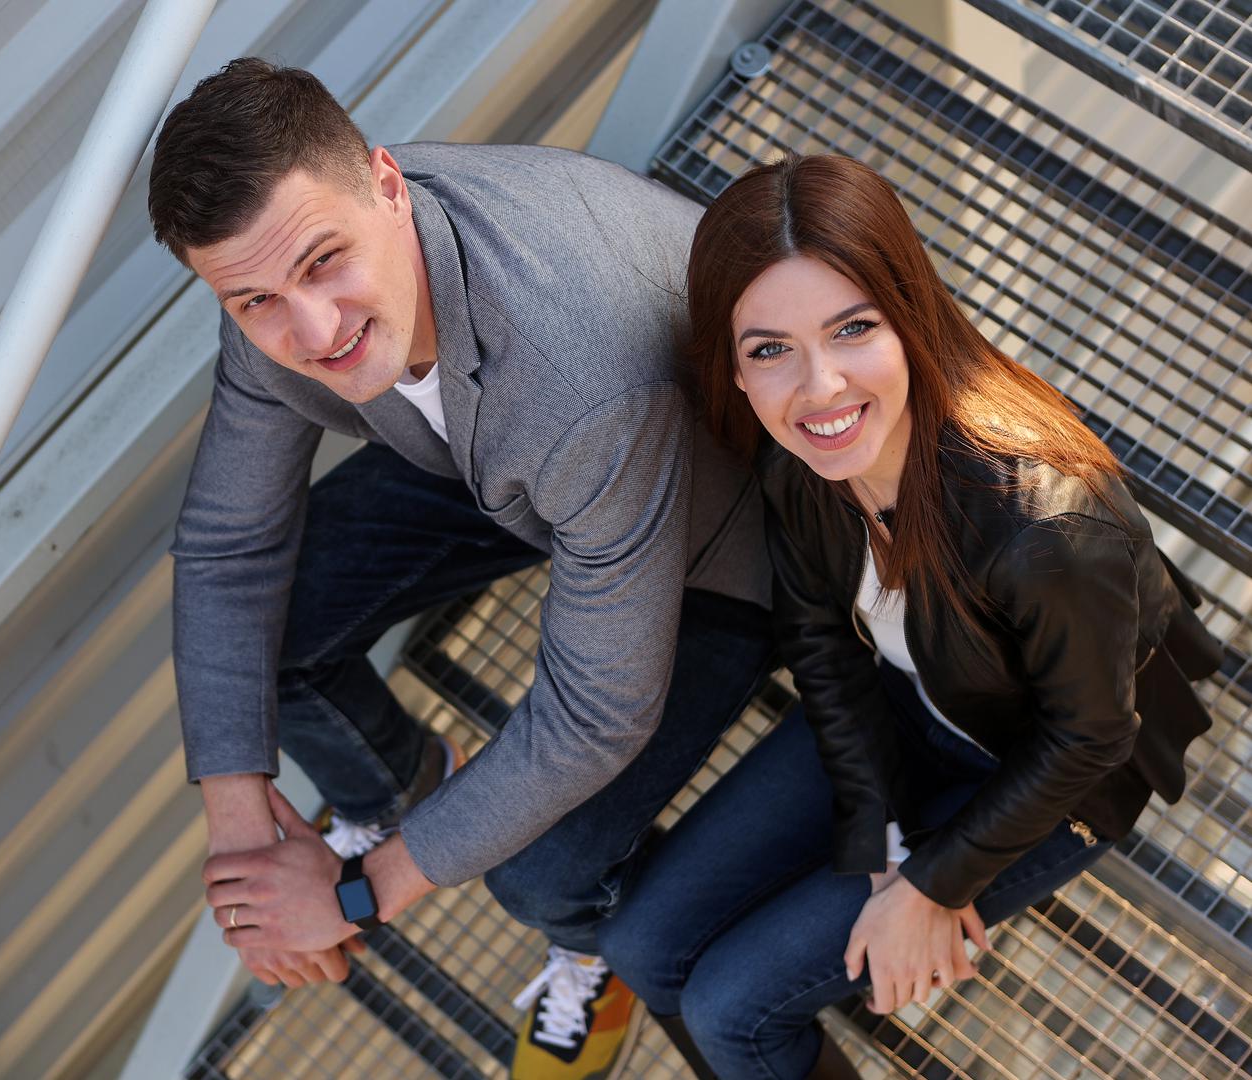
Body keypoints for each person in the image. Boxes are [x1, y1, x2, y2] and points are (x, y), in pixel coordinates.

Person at [146, 59, 778, 1078]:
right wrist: (240, 831)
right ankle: (418, 787)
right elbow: (229, 542)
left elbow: (595, 713)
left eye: (324, 263)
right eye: (255, 300)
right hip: (506, 464)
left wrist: (359, 895)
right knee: (260, 651)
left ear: (387, 185)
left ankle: (597, 935)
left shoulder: (580, 368)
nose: (311, 331)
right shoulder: (278, 280)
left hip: (724, 529)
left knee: (534, 871)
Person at [597, 152, 1223, 1080]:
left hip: (1049, 774)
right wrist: (877, 834)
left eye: (851, 329)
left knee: (731, 1013)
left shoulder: (1044, 527)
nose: (818, 388)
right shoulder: (798, 465)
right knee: (639, 948)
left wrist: (931, 883)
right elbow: (820, 642)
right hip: (911, 705)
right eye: (769, 349)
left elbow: (1090, 737)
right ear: (732, 369)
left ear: (909, 314)